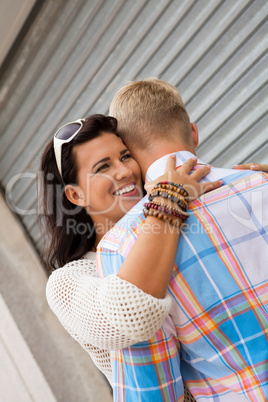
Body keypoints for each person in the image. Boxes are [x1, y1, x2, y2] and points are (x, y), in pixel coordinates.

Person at [96, 79, 268, 401]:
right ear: (193, 132)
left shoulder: (122, 246)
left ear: (129, 154)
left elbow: (151, 392)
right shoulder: (261, 181)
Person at [41, 114, 220, 396]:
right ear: (76, 196)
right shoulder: (68, 282)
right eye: (103, 167)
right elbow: (131, 313)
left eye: (125, 156)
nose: (124, 171)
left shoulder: (178, 218)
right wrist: (169, 198)